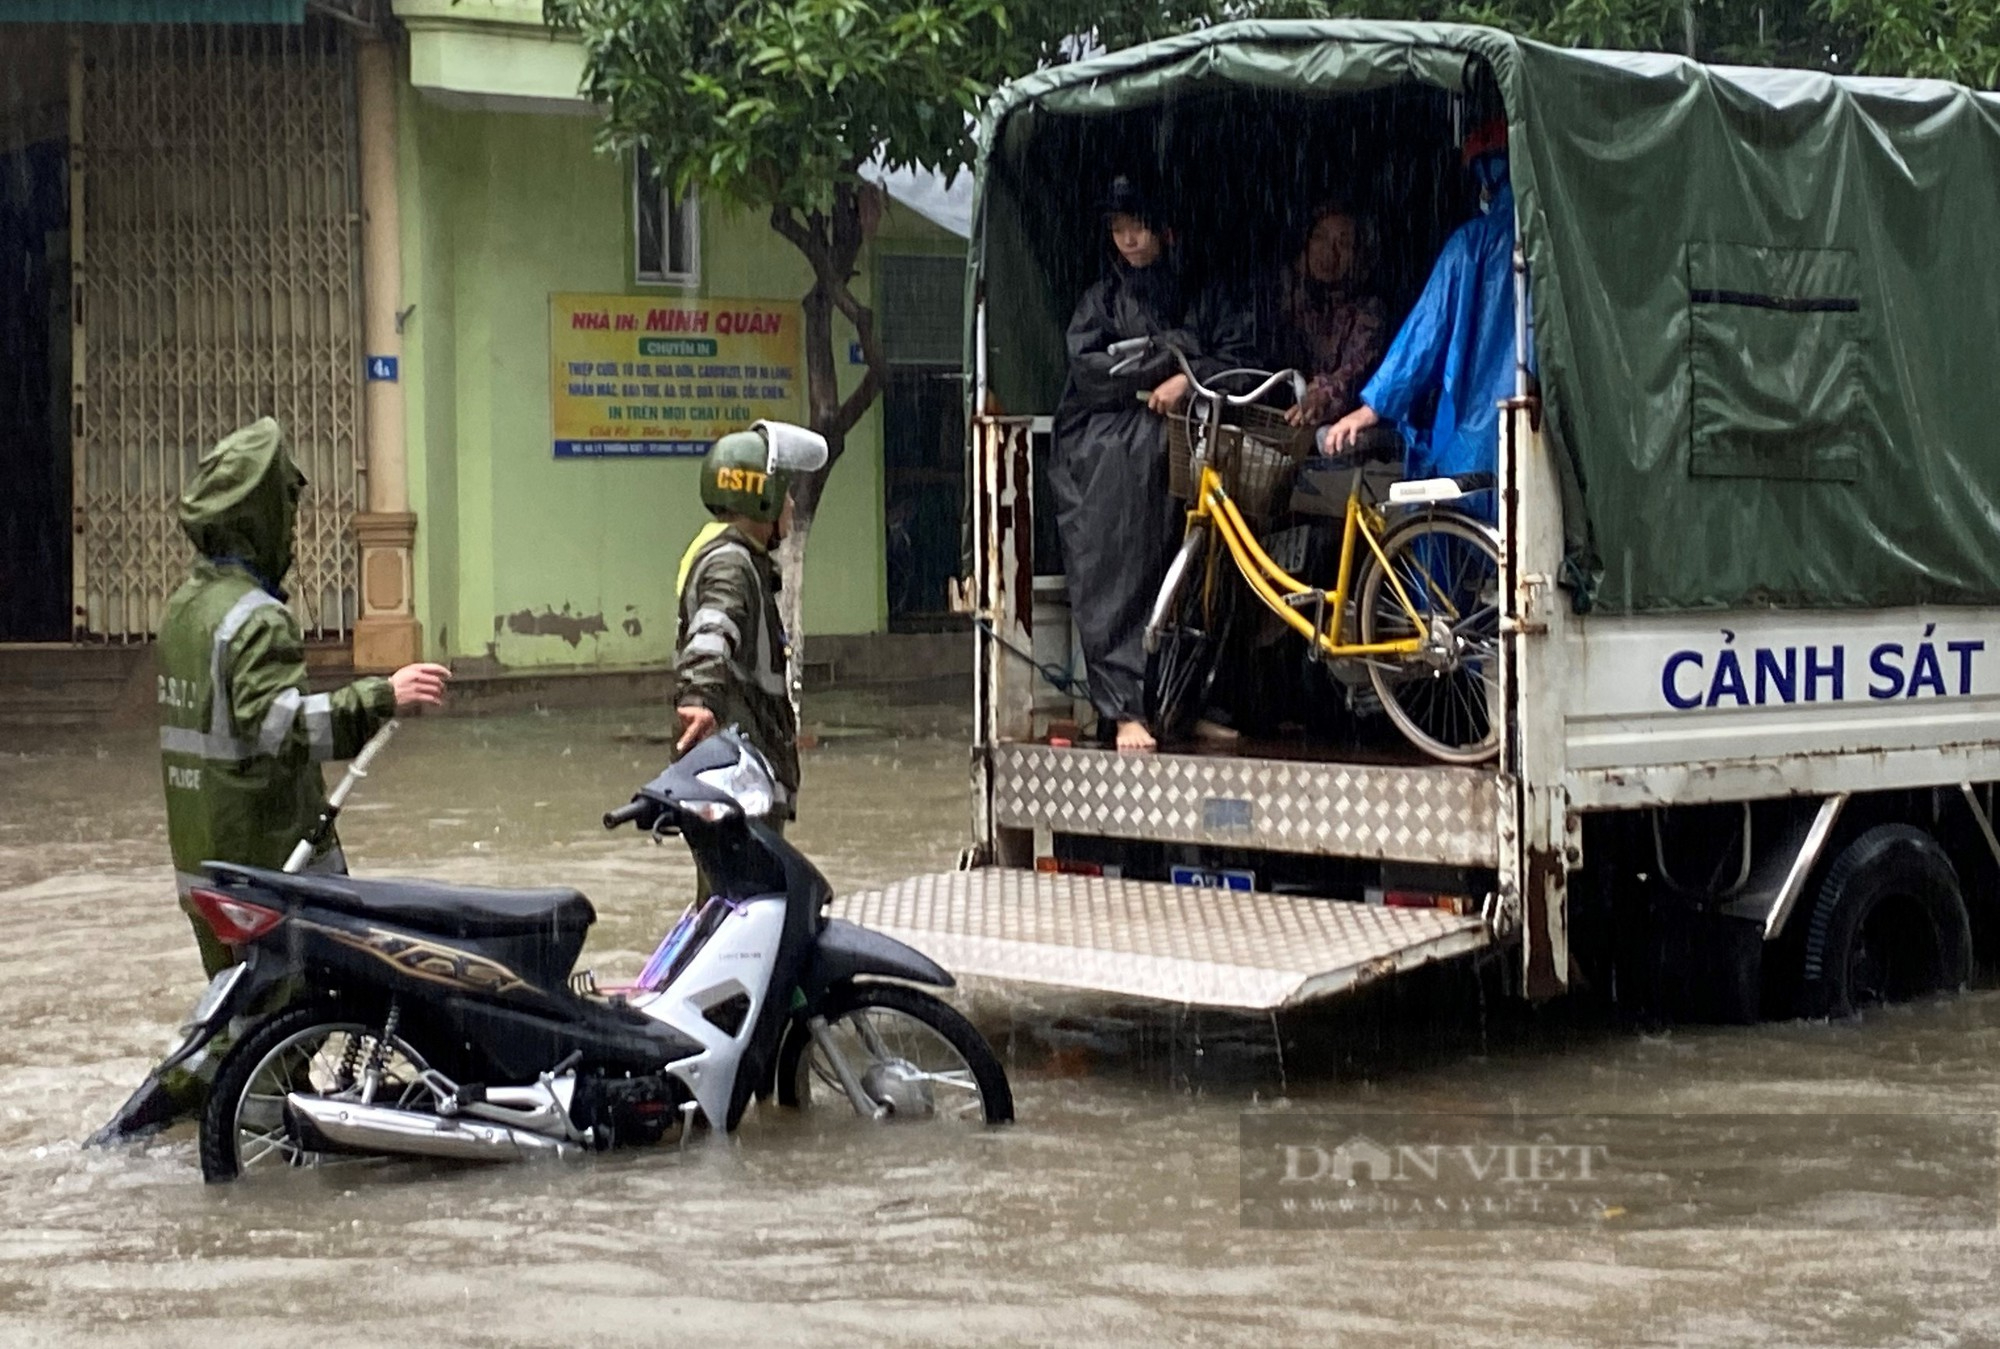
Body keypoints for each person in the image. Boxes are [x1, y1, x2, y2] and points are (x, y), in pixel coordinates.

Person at [92, 417, 451, 1144]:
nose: (292, 526)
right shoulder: (257, 620)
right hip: (268, 864)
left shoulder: (189, 609)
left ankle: (220, 1127)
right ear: (262, 518)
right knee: (289, 1007)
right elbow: (283, 728)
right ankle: (207, 1138)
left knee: (239, 1011)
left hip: (206, 861)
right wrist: (381, 695)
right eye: (286, 511)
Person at [1050, 174, 1256, 753]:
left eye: (1136, 227)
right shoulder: (1102, 300)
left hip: (1192, 437)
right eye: (1117, 230)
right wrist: (1161, 368)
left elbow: (1236, 354)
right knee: (1122, 568)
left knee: (1205, 571)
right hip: (1111, 443)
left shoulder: (1203, 288)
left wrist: (1185, 381)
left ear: (1165, 229)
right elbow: (1089, 370)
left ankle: (1186, 704)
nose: (1128, 241)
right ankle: (1123, 711)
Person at [1321, 116, 1522, 505]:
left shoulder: (1470, 245)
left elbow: (1424, 337)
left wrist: (1372, 407)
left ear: (1488, 174)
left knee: (1452, 540)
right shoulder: (1554, 245)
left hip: (1472, 440)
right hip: (1537, 438)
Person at [674, 421, 827, 842]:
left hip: (734, 778)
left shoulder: (733, 555)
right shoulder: (731, 564)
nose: (792, 505)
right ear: (762, 496)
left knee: (734, 900)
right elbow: (713, 626)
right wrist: (701, 696)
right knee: (746, 901)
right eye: (785, 493)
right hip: (736, 780)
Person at [1278, 201, 1389, 432]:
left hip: (1336, 430)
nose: (1329, 252)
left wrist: (1321, 395)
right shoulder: (1283, 293)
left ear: (1361, 257)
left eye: (1344, 243)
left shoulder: (1369, 310)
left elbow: (1354, 370)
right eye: (1320, 237)